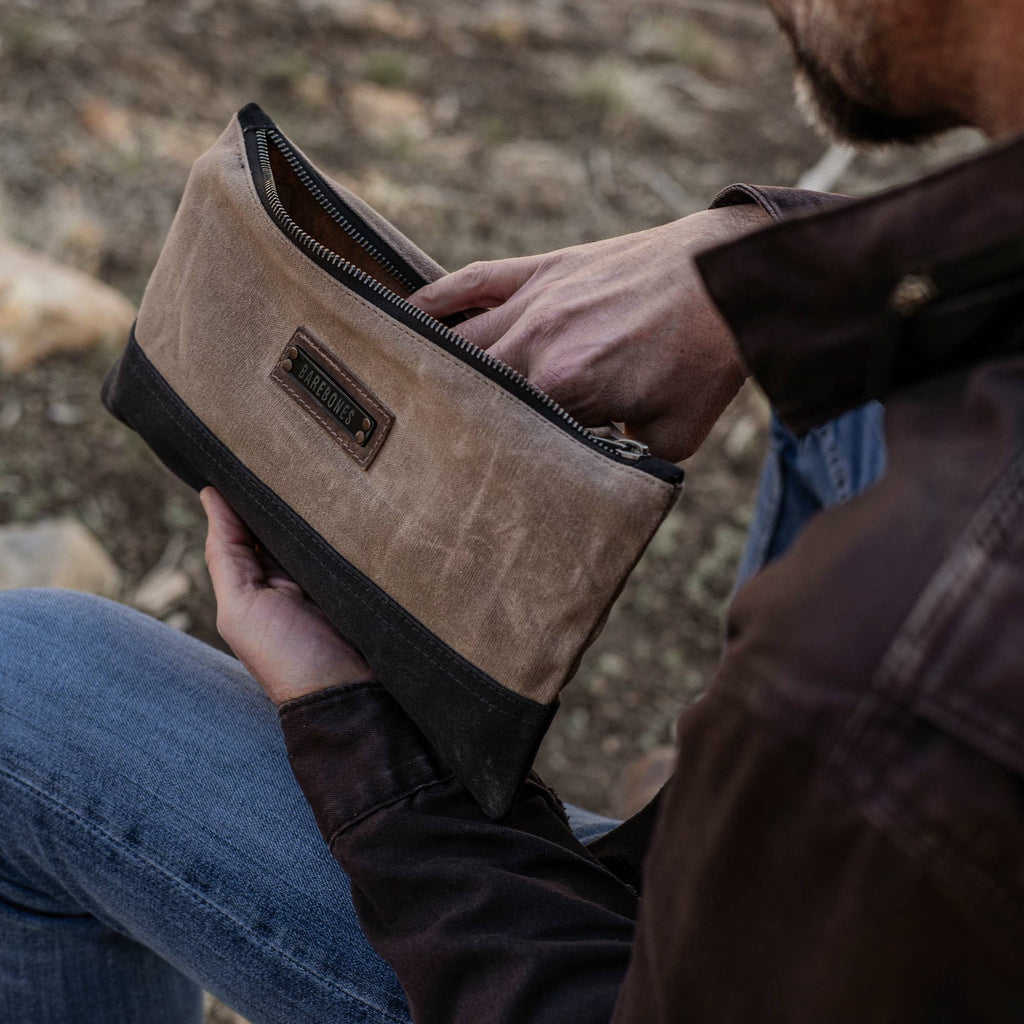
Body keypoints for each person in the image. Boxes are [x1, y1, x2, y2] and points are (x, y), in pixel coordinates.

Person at [3, 0, 1023, 1019]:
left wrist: (365, 743)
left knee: (24, 690)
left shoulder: (915, 655)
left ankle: (722, 839)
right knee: (843, 395)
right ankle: (711, 811)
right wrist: (753, 269)